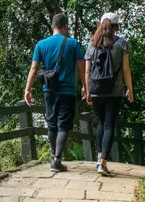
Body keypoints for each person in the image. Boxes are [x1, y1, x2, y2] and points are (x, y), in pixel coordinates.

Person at [25, 13, 86, 172]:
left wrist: (27, 89)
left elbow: (34, 68)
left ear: (52, 27)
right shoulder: (73, 44)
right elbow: (81, 66)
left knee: (51, 124)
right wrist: (85, 86)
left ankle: (54, 157)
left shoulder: (41, 44)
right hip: (68, 91)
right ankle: (57, 159)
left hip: (49, 91)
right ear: (65, 26)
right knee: (64, 125)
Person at [85, 12, 133, 176]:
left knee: (101, 123)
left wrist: (87, 90)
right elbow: (126, 69)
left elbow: (87, 71)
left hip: (96, 90)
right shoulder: (122, 44)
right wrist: (130, 90)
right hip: (115, 91)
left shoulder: (93, 43)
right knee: (109, 125)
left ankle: (100, 160)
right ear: (116, 26)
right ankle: (103, 162)